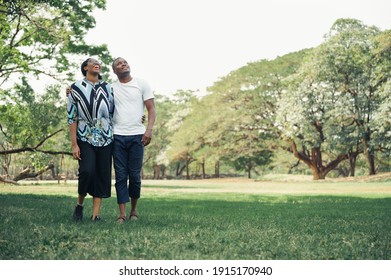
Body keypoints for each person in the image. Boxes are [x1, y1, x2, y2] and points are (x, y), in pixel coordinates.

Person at [67, 58, 114, 222]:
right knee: (87, 171)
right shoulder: (75, 88)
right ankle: (79, 205)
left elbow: (115, 110)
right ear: (85, 67)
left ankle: (96, 215)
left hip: (106, 137)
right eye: (93, 62)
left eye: (99, 62)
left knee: (102, 174)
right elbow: (71, 117)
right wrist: (74, 144)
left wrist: (139, 117)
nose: (97, 63)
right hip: (85, 136)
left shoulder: (108, 87)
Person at [111, 57, 156, 223]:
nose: (123, 64)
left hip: (138, 135)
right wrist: (70, 90)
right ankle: (122, 214)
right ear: (114, 71)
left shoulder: (141, 83)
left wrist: (149, 130)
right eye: (119, 64)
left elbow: (151, 109)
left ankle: (134, 211)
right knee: (121, 176)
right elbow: (92, 91)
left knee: (135, 177)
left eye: (125, 62)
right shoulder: (111, 87)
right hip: (117, 136)